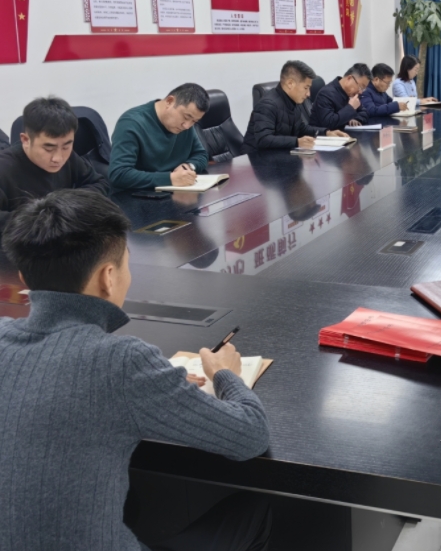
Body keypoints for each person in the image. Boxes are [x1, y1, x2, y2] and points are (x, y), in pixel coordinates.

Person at [0, 190, 272, 550]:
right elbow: (250, 436)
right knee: (255, 510)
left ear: (23, 276)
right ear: (108, 276)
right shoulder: (121, 361)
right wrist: (226, 375)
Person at [0, 97, 108, 230]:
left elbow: (99, 183)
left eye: (66, 146)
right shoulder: (4, 169)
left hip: (65, 231)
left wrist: (68, 203)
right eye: (49, 149)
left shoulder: (69, 157)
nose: (58, 158)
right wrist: (46, 217)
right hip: (24, 238)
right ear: (26, 139)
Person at [108, 83, 210, 192]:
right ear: (169, 101)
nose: (187, 126)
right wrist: (169, 179)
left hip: (176, 192)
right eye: (186, 117)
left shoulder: (184, 125)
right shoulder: (131, 123)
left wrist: (188, 167)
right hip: (139, 195)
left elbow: (201, 154)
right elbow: (119, 174)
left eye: (194, 121)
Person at [242, 60, 347, 154]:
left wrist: (326, 132)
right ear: (290, 84)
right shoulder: (267, 105)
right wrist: (297, 142)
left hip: (278, 157)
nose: (308, 94)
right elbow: (264, 139)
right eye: (306, 88)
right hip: (257, 161)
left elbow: (301, 128)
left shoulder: (293, 101)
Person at [309, 63, 371, 130]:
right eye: (360, 87)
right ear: (349, 78)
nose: (361, 92)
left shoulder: (352, 93)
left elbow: (364, 112)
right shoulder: (326, 94)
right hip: (322, 135)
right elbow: (329, 123)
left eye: (363, 89)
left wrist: (356, 119)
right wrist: (351, 108)